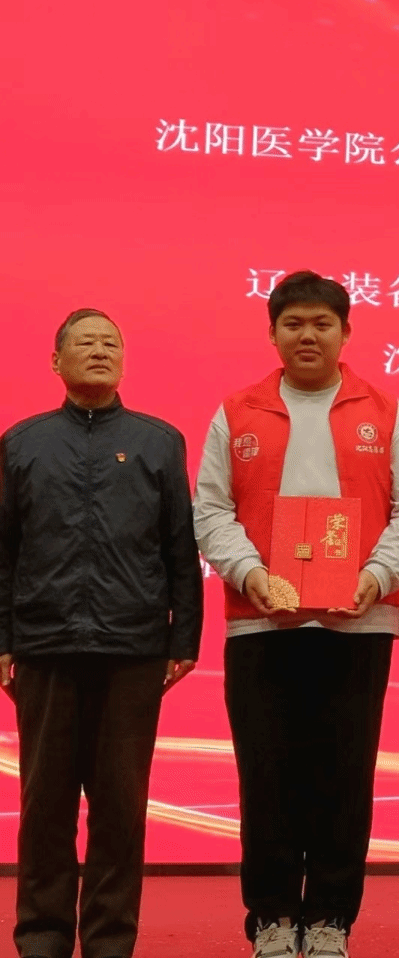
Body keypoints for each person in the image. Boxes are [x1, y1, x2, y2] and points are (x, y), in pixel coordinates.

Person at [193, 271, 399, 958]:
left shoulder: (385, 411)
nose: (308, 335)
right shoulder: (236, 412)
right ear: (272, 333)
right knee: (266, 774)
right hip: (260, 622)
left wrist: (375, 576)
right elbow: (210, 510)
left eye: (322, 323)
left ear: (345, 332)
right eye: (294, 323)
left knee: (344, 775)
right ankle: (272, 916)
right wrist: (251, 574)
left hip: (357, 622)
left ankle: (330, 918)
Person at [0, 308, 203, 958]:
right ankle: (41, 937)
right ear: (55, 361)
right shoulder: (22, 443)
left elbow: (179, 545)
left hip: (132, 649)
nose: (99, 351)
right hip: (45, 646)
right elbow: (4, 549)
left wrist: (184, 638)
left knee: (120, 806)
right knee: (45, 806)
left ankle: (111, 941)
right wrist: (3, 639)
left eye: (110, 342)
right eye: (84, 342)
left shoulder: (158, 441)